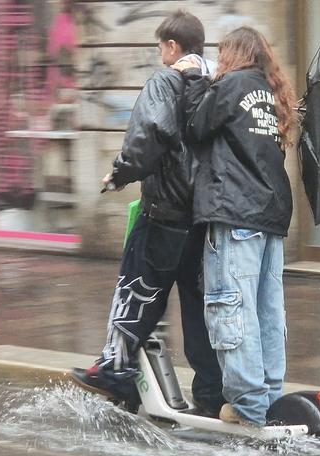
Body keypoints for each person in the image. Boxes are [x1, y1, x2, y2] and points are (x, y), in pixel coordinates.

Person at [71, 10, 223, 417]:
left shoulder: (167, 80)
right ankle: (212, 396)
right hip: (204, 216)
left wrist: (119, 174)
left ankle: (115, 370)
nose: (160, 55)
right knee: (198, 308)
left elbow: (149, 134)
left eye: (160, 47)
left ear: (172, 46)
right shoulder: (217, 84)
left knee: (138, 291)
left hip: (164, 210)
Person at [173, 27, 298, 426]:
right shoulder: (272, 92)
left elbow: (194, 127)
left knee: (232, 309)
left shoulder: (232, 85)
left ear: (232, 55)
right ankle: (269, 396)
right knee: (267, 311)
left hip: (234, 213)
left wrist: (194, 78)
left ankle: (248, 406)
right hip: (272, 217)